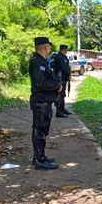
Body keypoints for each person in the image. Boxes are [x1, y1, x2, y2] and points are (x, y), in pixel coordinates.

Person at [29, 37, 62, 170]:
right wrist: (57, 86)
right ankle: (39, 160)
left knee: (41, 130)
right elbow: (41, 83)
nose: (50, 49)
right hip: (40, 102)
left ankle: (39, 156)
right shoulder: (38, 62)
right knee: (39, 131)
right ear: (45, 47)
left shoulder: (41, 61)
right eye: (49, 46)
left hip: (44, 101)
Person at [52, 44, 72, 118]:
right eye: (66, 49)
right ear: (64, 49)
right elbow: (64, 68)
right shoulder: (59, 57)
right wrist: (68, 72)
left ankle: (62, 109)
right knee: (60, 96)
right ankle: (59, 111)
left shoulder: (63, 57)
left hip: (64, 79)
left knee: (62, 95)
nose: (67, 51)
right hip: (60, 79)